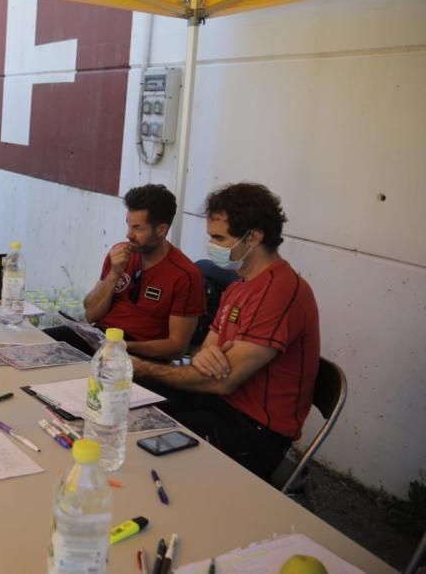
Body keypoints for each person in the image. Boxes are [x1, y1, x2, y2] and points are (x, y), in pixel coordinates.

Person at [131, 183, 321, 481]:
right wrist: (207, 360)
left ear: (254, 236)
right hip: (217, 406)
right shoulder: (239, 285)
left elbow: (223, 381)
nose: (212, 245)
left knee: (137, 437)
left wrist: (143, 367)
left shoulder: (281, 291)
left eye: (219, 238)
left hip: (252, 433)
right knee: (127, 402)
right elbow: (205, 356)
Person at [47, 184, 205, 359]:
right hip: (100, 337)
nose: (129, 235)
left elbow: (177, 347)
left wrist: (125, 346)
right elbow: (90, 314)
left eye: (137, 228)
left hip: (139, 352)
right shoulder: (120, 255)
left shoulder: (185, 275)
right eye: (128, 226)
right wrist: (114, 274)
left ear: (161, 230)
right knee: (44, 342)